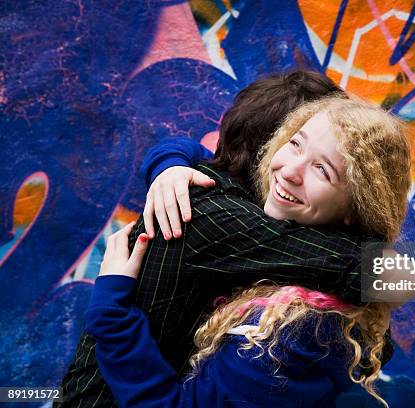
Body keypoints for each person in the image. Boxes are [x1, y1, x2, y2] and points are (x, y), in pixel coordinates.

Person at [58, 71, 397, 407]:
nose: (291, 171)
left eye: (323, 168)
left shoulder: (209, 195)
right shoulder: (220, 220)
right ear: (273, 145)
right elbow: (383, 275)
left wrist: (169, 159)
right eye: (295, 143)